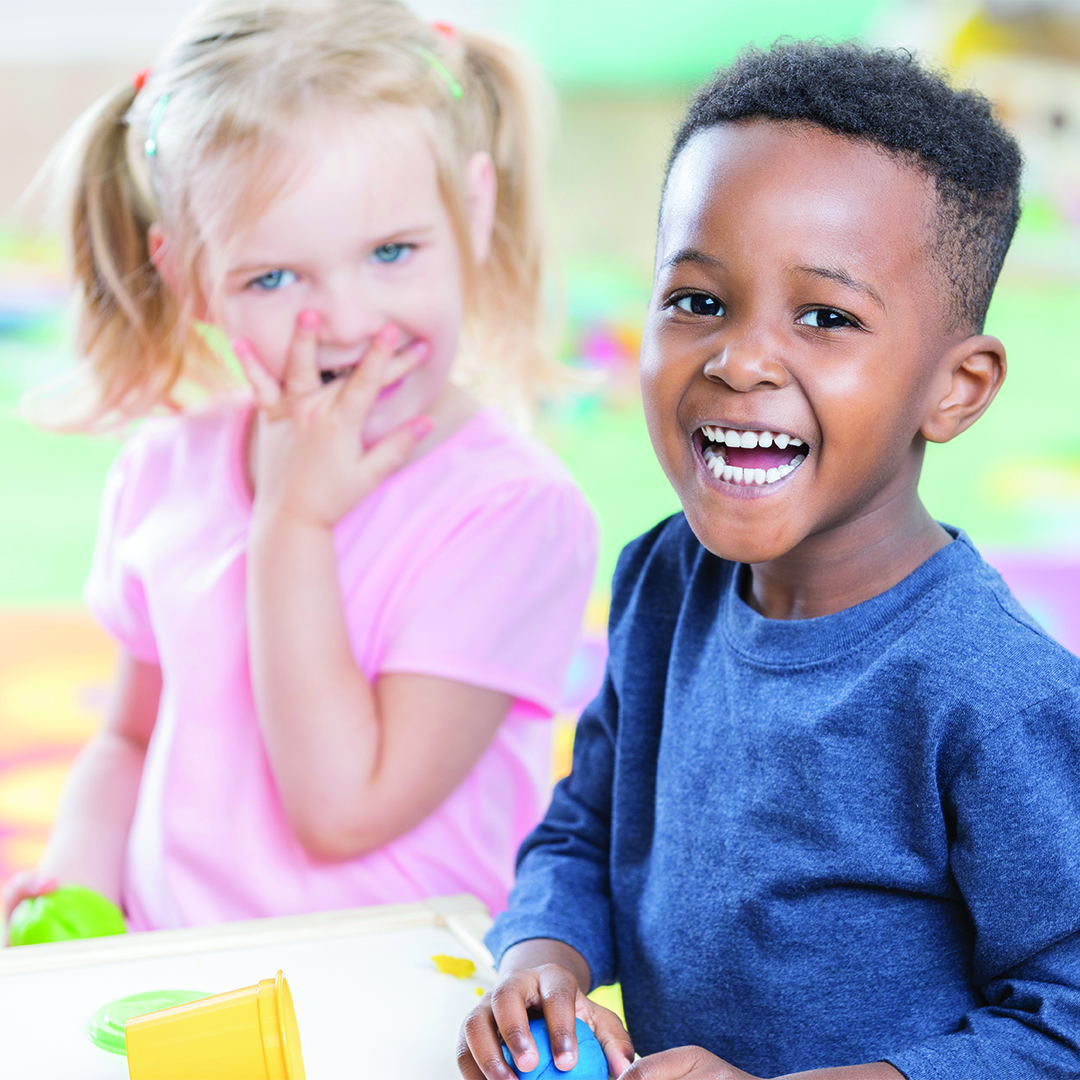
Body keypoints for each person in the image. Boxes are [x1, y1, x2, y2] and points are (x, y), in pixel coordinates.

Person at [458, 41, 1080, 1080]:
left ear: (956, 389)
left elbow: (1065, 1022)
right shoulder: (665, 581)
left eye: (827, 317)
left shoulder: (995, 691)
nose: (740, 359)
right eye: (698, 300)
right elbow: (587, 827)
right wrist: (543, 961)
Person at [2, 0, 596, 935]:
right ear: (188, 276)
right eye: (274, 278)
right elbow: (127, 734)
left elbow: (343, 812)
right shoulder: (166, 471)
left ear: (473, 211)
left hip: (400, 1005)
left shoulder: (512, 513)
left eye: (392, 252)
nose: (350, 321)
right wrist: (77, 885)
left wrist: (293, 523)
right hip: (173, 988)